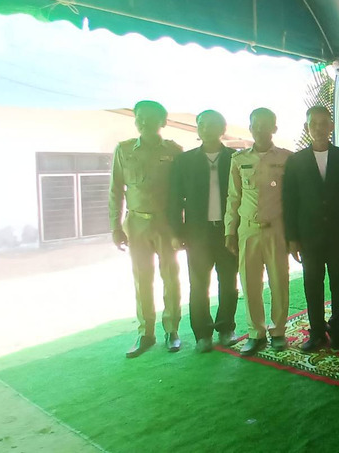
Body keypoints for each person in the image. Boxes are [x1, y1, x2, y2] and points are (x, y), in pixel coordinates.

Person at [109, 100, 184, 358]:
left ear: (162, 122)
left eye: (150, 118)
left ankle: (172, 330)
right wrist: (115, 226)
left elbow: (181, 192)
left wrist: (180, 228)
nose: (143, 122)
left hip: (165, 223)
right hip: (136, 223)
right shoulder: (124, 150)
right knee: (142, 279)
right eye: (139, 117)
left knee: (170, 277)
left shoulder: (174, 151)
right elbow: (115, 190)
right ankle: (145, 333)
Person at [283, 106, 339, 352]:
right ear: (307, 127)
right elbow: (289, 200)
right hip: (309, 236)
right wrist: (292, 238)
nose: (318, 128)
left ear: (331, 126)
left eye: (323, 123)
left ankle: (336, 330)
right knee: (312, 285)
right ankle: (316, 332)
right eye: (313, 123)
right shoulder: (295, 161)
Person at [168, 110, 239, 354]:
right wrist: (176, 232)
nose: (207, 129)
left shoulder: (235, 158)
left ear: (223, 128)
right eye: (202, 124)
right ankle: (202, 334)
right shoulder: (184, 161)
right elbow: (175, 199)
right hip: (197, 233)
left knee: (228, 283)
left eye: (212, 124)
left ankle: (226, 328)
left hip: (228, 232)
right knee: (198, 285)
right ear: (198, 128)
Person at [224, 108, 292, 357]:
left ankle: (278, 331)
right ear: (250, 128)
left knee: (279, 281)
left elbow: (292, 198)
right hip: (248, 229)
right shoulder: (238, 159)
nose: (261, 129)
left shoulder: (286, 158)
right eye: (256, 125)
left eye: (266, 124)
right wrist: (229, 231)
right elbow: (233, 197)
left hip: (276, 229)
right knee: (250, 282)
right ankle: (256, 333)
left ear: (274, 128)